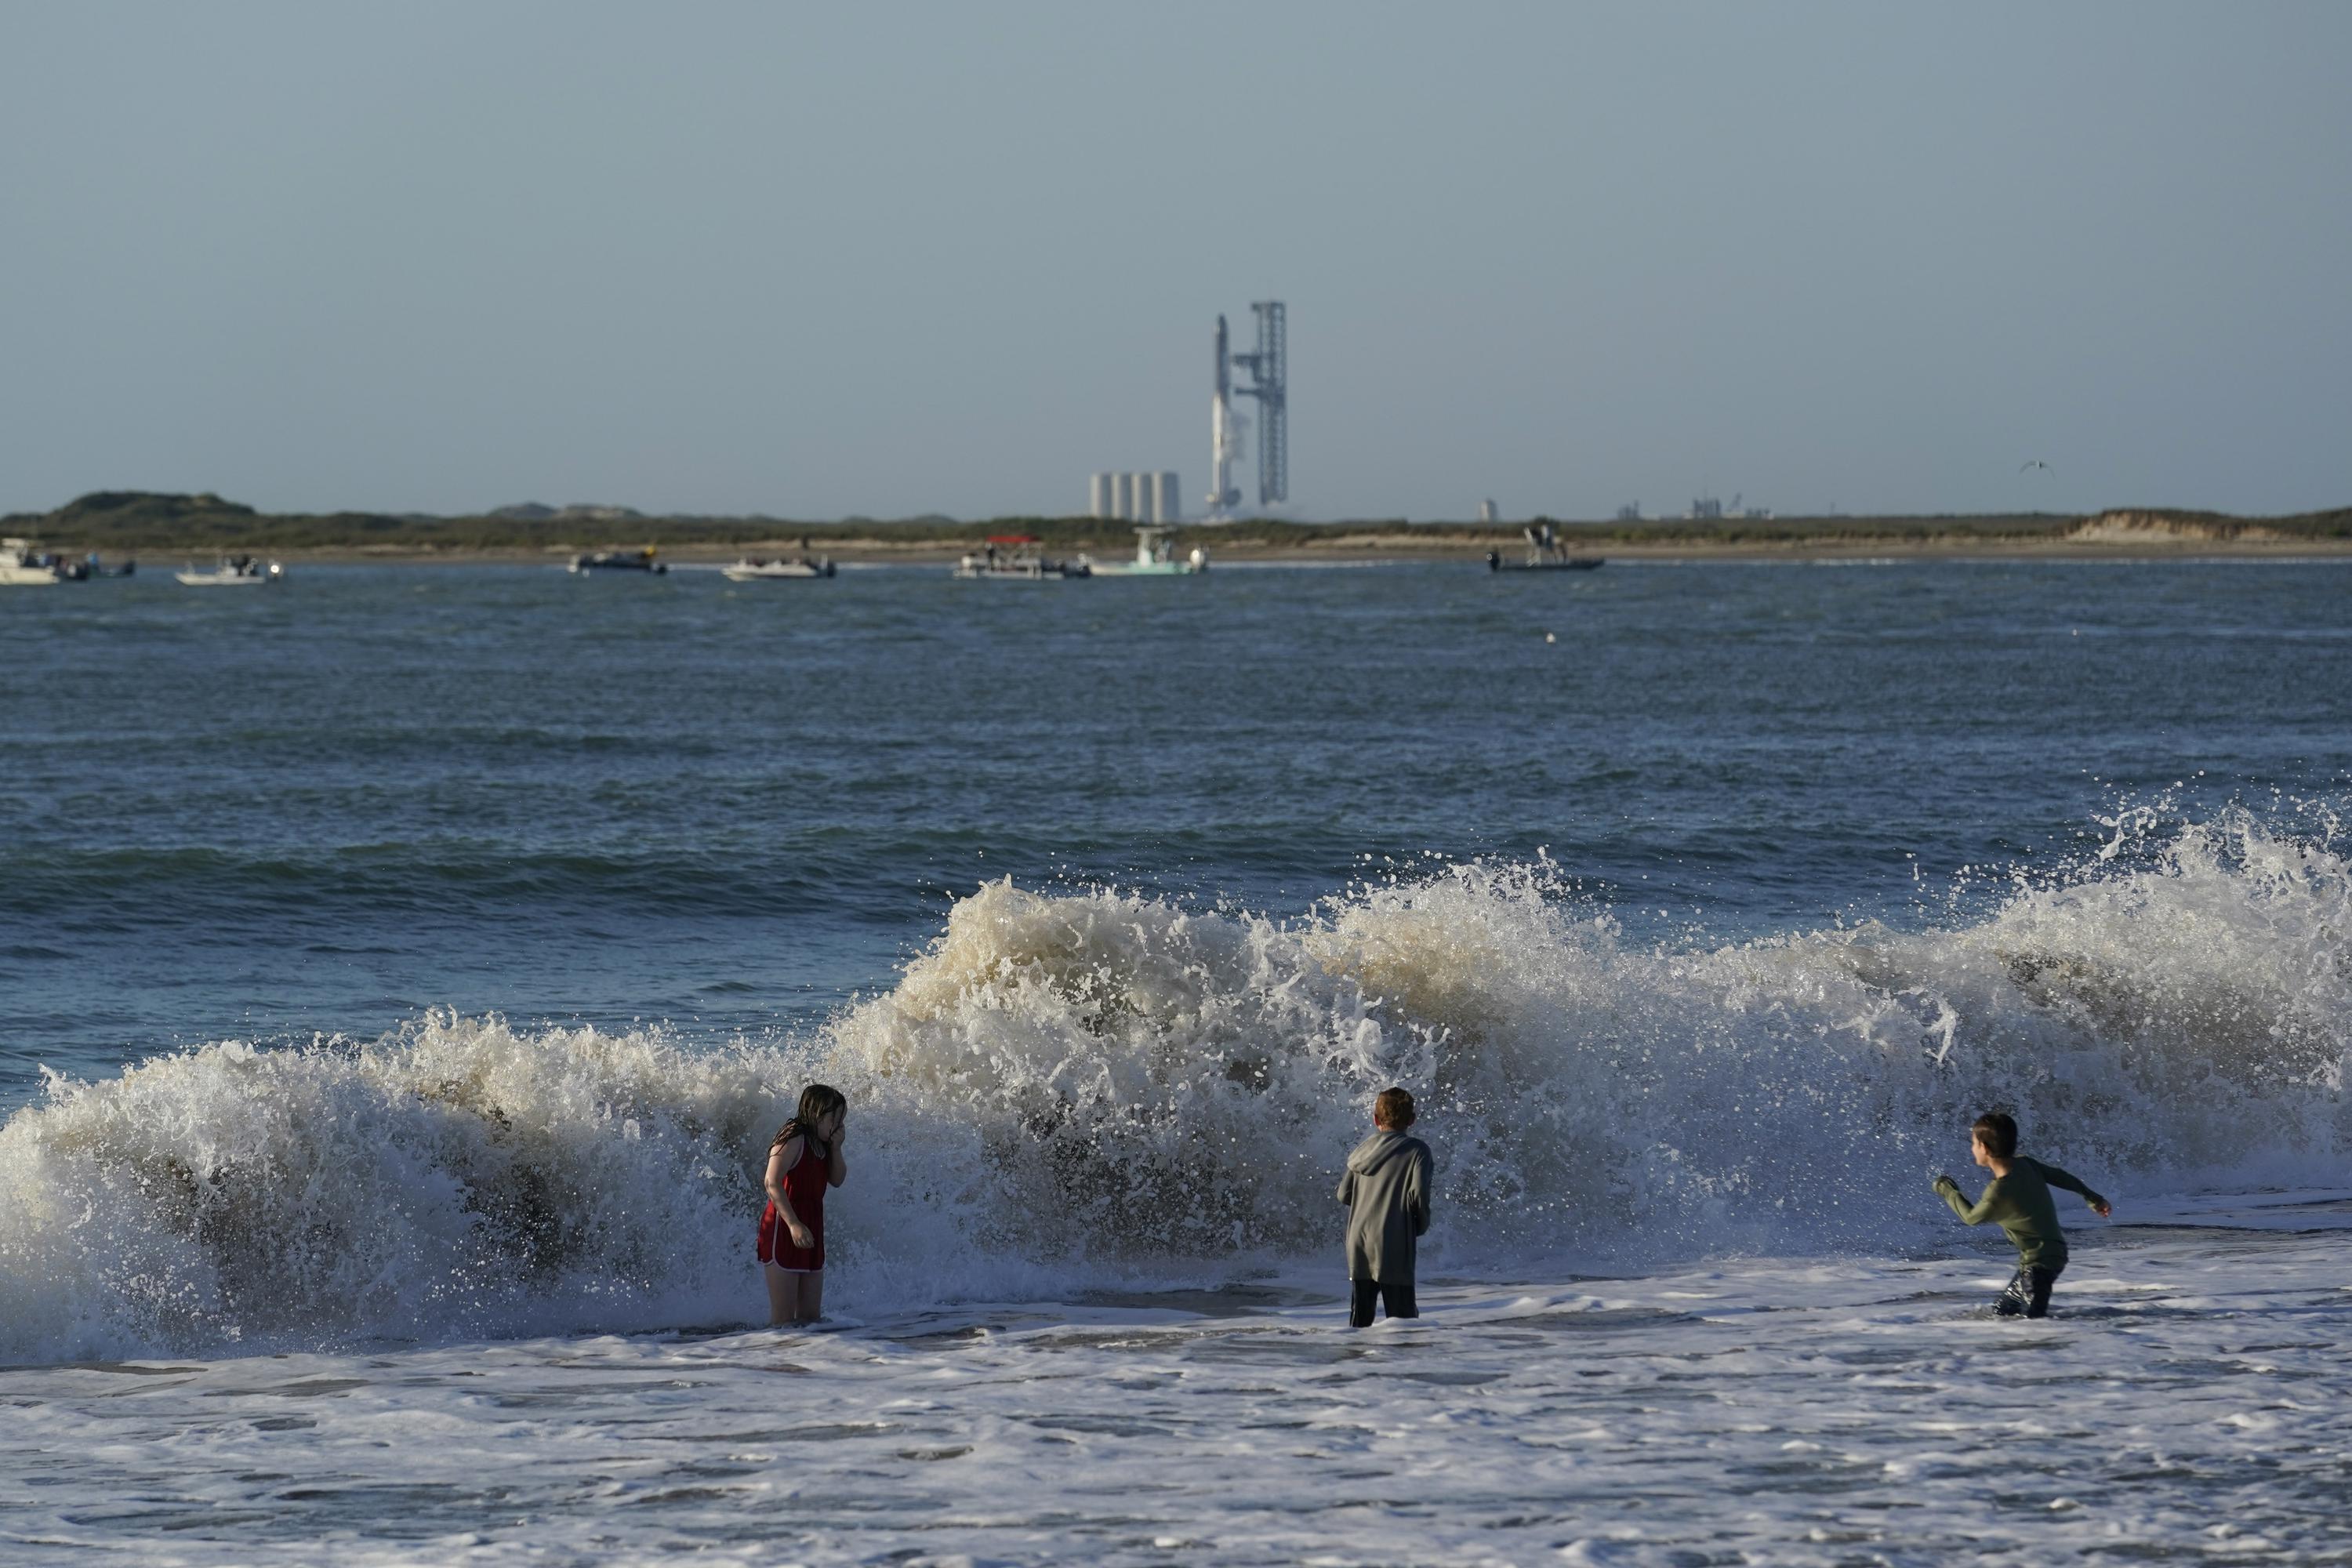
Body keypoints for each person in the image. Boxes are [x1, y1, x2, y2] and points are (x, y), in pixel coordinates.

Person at [1933, 1110, 2111, 1318]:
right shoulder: (2027, 1165)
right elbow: (2062, 1177)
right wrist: (2093, 1198)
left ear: (1984, 1147)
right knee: (2002, 1311)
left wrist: (1947, 1190)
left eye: (1973, 1144)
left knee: (2034, 1325)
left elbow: (1971, 1218)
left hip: (2038, 1266)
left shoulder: (1998, 1191)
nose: (1973, 1149)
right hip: (2048, 1257)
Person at [1336, 1086, 1433, 1328]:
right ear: (1412, 1119)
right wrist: (1419, 1226)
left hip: (1358, 1241)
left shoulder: (1361, 1151)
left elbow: (1343, 1195)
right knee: (1403, 1322)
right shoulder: (1417, 1151)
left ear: (1375, 1118)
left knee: (1359, 1321)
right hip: (1393, 1240)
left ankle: (1355, 1363)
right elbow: (1418, 1194)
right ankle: (1400, 1365)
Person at [757, 1084, 848, 1326]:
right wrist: (794, 1224)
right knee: (783, 1321)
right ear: (816, 1114)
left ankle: (806, 1362)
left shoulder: (823, 1144)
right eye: (835, 1120)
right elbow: (771, 1182)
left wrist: (836, 1148)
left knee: (810, 1320)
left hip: (812, 1227)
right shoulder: (793, 1137)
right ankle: (773, 1362)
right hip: (783, 1227)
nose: (839, 1127)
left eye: (842, 1121)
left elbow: (837, 1180)